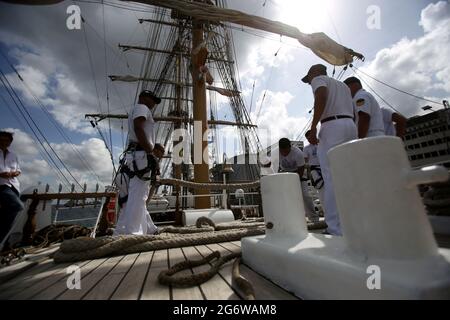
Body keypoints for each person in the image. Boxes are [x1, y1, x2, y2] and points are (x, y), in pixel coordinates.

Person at [301, 64, 357, 235]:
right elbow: (354, 110)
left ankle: (335, 228)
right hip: (349, 125)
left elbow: (321, 95)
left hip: (332, 127)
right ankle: (354, 223)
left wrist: (313, 125)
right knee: (349, 177)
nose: (309, 82)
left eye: (308, 78)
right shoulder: (343, 86)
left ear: (314, 73)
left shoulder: (318, 79)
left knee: (331, 177)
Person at [114, 90, 162, 236]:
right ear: (142, 98)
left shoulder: (137, 109)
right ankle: (133, 234)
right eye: (151, 99)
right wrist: (150, 152)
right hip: (141, 156)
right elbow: (138, 127)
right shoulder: (142, 108)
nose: (153, 103)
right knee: (138, 195)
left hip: (135, 155)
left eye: (154, 101)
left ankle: (127, 231)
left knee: (134, 196)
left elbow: (138, 130)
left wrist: (151, 148)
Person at [275, 138, 320, 223]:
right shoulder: (275, 153)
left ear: (290, 147)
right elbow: (271, 165)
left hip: (299, 172)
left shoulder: (298, 153)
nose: (284, 153)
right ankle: (287, 219)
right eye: (282, 152)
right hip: (285, 173)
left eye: (286, 151)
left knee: (305, 195)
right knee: (284, 197)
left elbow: (301, 169)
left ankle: (313, 218)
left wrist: (293, 182)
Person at [0, 131, 24, 246]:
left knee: (6, 213)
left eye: (7, 140)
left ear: (10, 142)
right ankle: (2, 240)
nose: (4, 142)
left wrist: (15, 173)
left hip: (13, 185)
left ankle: (5, 243)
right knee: (17, 206)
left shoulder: (13, 155)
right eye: (2, 140)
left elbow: (18, 169)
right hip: (1, 185)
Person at [303, 130, 325, 212]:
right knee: (320, 189)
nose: (309, 140)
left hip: (325, 167)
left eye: (310, 138)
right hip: (314, 169)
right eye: (308, 139)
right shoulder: (306, 149)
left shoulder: (323, 144)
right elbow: (304, 161)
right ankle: (324, 210)